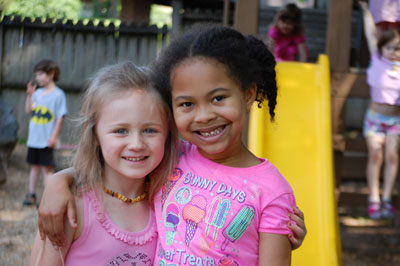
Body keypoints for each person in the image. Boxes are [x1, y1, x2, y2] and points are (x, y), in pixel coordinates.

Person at [37, 26, 307, 265]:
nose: (203, 116)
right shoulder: (175, 158)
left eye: (218, 98)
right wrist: (57, 182)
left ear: (248, 94)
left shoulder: (272, 193)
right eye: (187, 104)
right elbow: (113, 164)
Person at [30, 62, 179, 265]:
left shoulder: (170, 202)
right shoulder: (73, 209)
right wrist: (58, 180)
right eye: (120, 131)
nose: (136, 144)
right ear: (95, 136)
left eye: (150, 130)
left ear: (168, 134)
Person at [360, 1, 400, 220]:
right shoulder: (377, 58)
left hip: (396, 120)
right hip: (375, 118)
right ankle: (373, 199)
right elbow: (370, 33)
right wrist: (366, 11)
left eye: (398, 49)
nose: (394, 53)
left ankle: (387, 198)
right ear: (383, 48)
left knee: (392, 156)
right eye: (390, 48)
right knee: (376, 155)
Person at [23, 59, 67, 206]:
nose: (38, 78)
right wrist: (29, 95)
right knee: (34, 167)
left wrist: (54, 136)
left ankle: (48, 197)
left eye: (41, 74)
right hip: (34, 139)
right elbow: (29, 110)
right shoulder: (37, 93)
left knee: (46, 169)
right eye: (36, 75)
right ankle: (31, 194)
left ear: (51, 74)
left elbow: (61, 116)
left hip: (46, 140)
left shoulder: (58, 95)